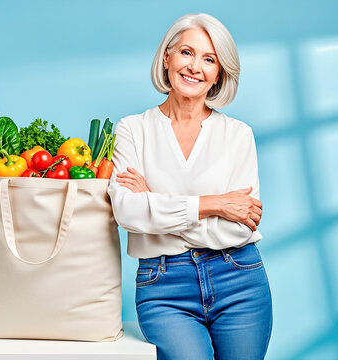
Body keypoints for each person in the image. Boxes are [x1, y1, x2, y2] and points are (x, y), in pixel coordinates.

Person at [107, 13, 272, 360]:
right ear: (167, 58)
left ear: (218, 74)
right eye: (186, 52)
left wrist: (154, 202)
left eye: (209, 59)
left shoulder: (237, 135)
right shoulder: (132, 130)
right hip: (164, 287)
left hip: (239, 278)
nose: (195, 66)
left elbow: (239, 225)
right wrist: (214, 204)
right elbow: (128, 212)